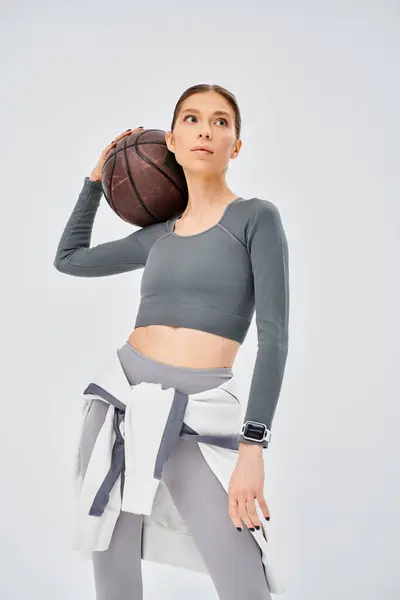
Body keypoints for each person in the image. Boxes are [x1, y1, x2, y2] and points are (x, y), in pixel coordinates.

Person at [53, 83, 290, 600]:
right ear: (172, 142)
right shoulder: (156, 235)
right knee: (114, 581)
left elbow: (273, 337)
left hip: (199, 414)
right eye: (191, 119)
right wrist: (96, 181)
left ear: (236, 145)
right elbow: (68, 259)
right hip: (121, 400)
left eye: (221, 121)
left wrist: (253, 446)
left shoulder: (256, 218)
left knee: (244, 583)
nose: (205, 129)